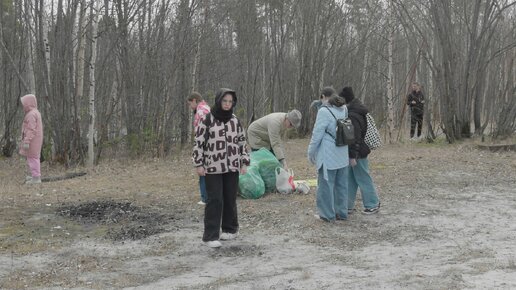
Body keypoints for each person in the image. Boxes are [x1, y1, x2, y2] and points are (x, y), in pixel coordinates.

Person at [192, 88, 250, 248]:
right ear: (219, 101)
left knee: (230, 198)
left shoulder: (235, 120)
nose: (227, 104)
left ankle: (231, 229)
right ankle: (210, 236)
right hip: (213, 166)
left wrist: (244, 161)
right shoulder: (207, 119)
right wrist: (199, 163)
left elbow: (242, 142)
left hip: (232, 166)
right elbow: (199, 143)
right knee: (215, 199)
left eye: (230, 102)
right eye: (224, 101)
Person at [307, 87, 349, 222]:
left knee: (326, 186)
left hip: (328, 154)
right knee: (341, 185)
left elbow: (316, 135)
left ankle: (327, 215)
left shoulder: (324, 111)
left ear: (323, 96)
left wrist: (310, 153)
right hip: (342, 152)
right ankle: (341, 212)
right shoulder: (344, 109)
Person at [339, 86, 381, 214]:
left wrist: (353, 156)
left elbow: (355, 137)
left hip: (358, 152)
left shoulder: (352, 115)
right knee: (350, 179)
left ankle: (372, 203)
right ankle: (347, 205)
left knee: (363, 177)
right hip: (355, 151)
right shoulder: (357, 110)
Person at [187, 92, 211, 205]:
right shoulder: (207, 108)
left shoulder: (200, 112)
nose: (190, 106)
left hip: (205, 145)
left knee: (202, 171)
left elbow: (200, 133)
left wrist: (198, 150)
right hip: (211, 145)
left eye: (190, 103)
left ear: (194, 100)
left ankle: (205, 198)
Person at [18, 94, 43, 184]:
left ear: (28, 104)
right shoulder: (35, 112)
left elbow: (31, 129)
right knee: (33, 158)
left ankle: (36, 178)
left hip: (32, 141)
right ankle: (34, 176)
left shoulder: (31, 114)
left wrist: (27, 141)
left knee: (33, 158)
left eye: (24, 104)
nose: (23, 106)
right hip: (35, 140)